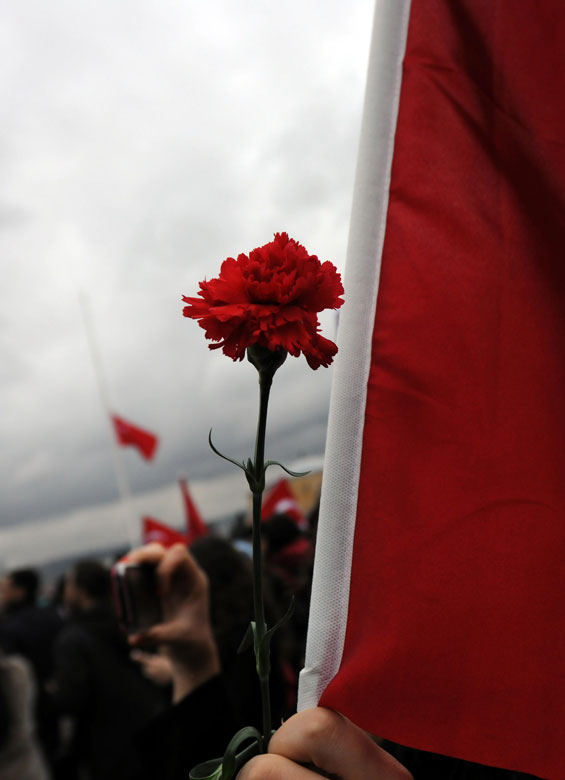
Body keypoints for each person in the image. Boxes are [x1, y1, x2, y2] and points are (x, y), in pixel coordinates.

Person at [51, 559, 165, 780]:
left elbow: (72, 698)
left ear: (80, 591)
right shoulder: (131, 622)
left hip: (107, 747)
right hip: (151, 728)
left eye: (69, 585)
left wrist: (53, 694)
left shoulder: (71, 640)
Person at [0, 567, 63, 768]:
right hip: (60, 706)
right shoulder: (55, 618)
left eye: (4, 590)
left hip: (31, 716)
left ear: (20, 591)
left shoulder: (10, 630)